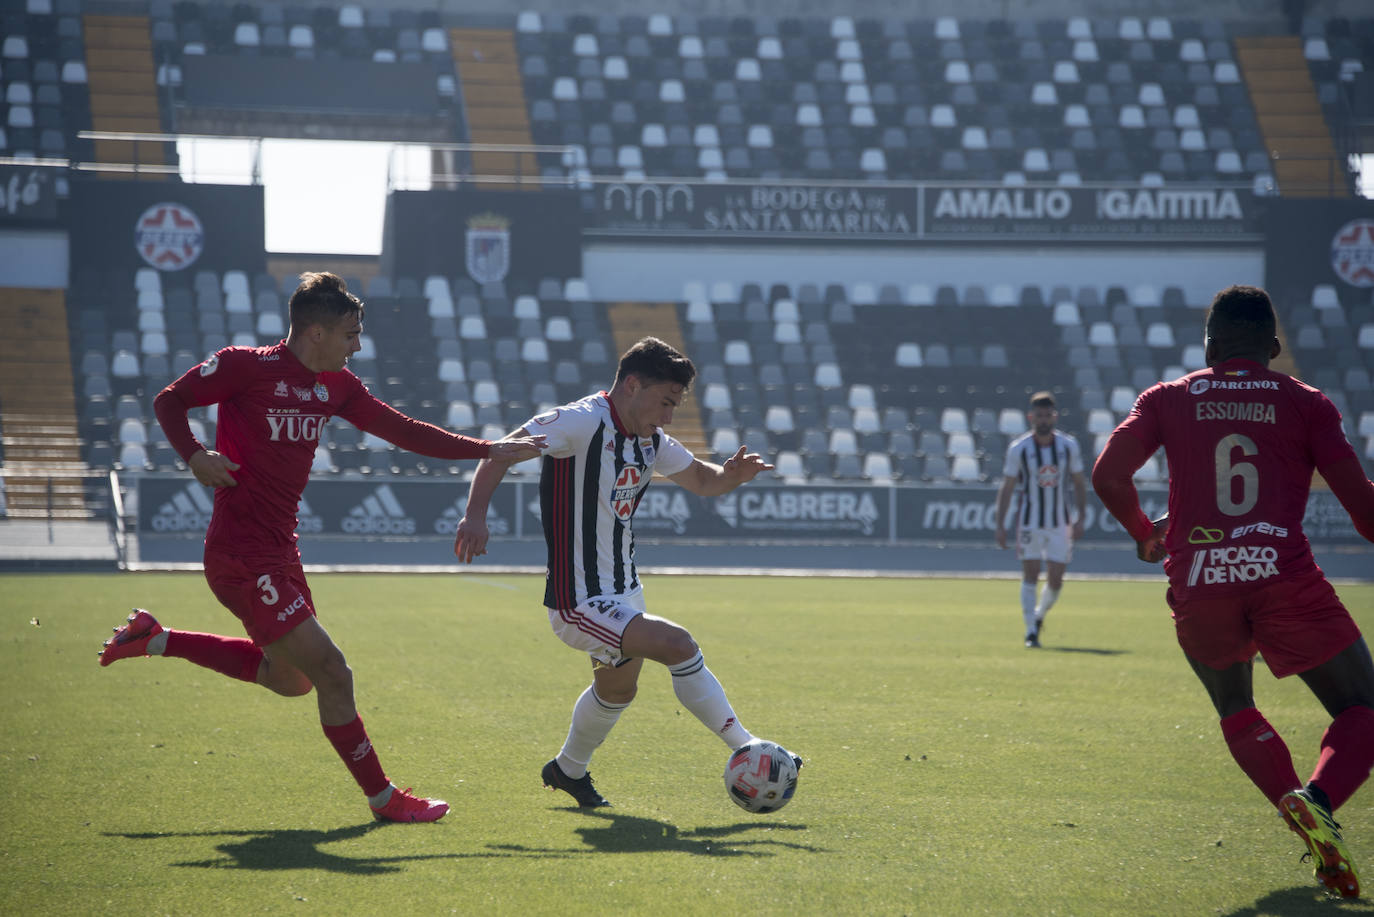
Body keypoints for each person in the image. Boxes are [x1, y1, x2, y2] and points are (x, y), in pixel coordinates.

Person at [99, 271, 545, 822]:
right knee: (335, 673)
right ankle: (385, 800)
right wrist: (193, 455)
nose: (357, 345)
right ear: (315, 332)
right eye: (351, 334)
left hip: (281, 552)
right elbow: (171, 401)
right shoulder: (245, 366)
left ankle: (157, 639)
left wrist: (488, 448)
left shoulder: (339, 386)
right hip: (240, 555)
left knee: (293, 680)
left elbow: (405, 431)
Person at [1092, 284, 1374, 898]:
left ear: (1210, 346)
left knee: (1237, 708)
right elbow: (1366, 511)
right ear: (1274, 347)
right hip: (1284, 578)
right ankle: (1318, 803)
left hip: (1200, 581)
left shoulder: (1167, 398)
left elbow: (1108, 475)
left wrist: (1146, 535)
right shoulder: (1307, 403)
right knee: (1363, 709)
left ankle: (1304, 818)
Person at [453, 336, 793, 807]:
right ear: (632, 385)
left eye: (675, 405)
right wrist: (475, 516)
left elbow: (701, 480)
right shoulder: (578, 421)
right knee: (678, 645)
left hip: (625, 589)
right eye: (665, 402)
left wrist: (731, 476)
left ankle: (567, 770)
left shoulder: (650, 440)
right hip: (579, 600)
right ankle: (751, 749)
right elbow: (502, 451)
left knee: (616, 690)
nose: (670, 416)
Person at [994, 391, 1087, 647]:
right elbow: (1008, 486)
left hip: (1060, 521)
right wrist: (1000, 524)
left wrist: (1080, 517)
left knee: (1056, 580)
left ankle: (1038, 615)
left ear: (1054, 416)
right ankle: (1030, 631)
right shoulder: (1019, 448)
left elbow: (1079, 483)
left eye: (1047, 415)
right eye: (1039, 415)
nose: (1043, 420)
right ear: (1030, 417)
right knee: (1031, 575)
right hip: (1030, 521)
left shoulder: (1068, 446)